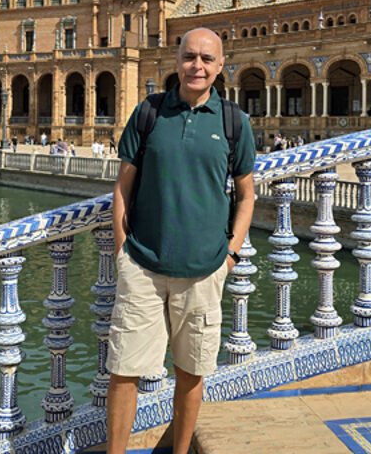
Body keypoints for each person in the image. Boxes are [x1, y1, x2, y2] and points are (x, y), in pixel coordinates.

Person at [107, 27, 255, 454]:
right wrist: (122, 251)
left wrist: (229, 255)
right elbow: (123, 187)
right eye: (191, 57)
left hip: (204, 271)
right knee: (124, 370)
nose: (198, 66)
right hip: (143, 268)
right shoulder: (149, 112)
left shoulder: (233, 122)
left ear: (220, 66)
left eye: (208, 59)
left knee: (191, 373)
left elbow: (246, 195)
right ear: (176, 61)